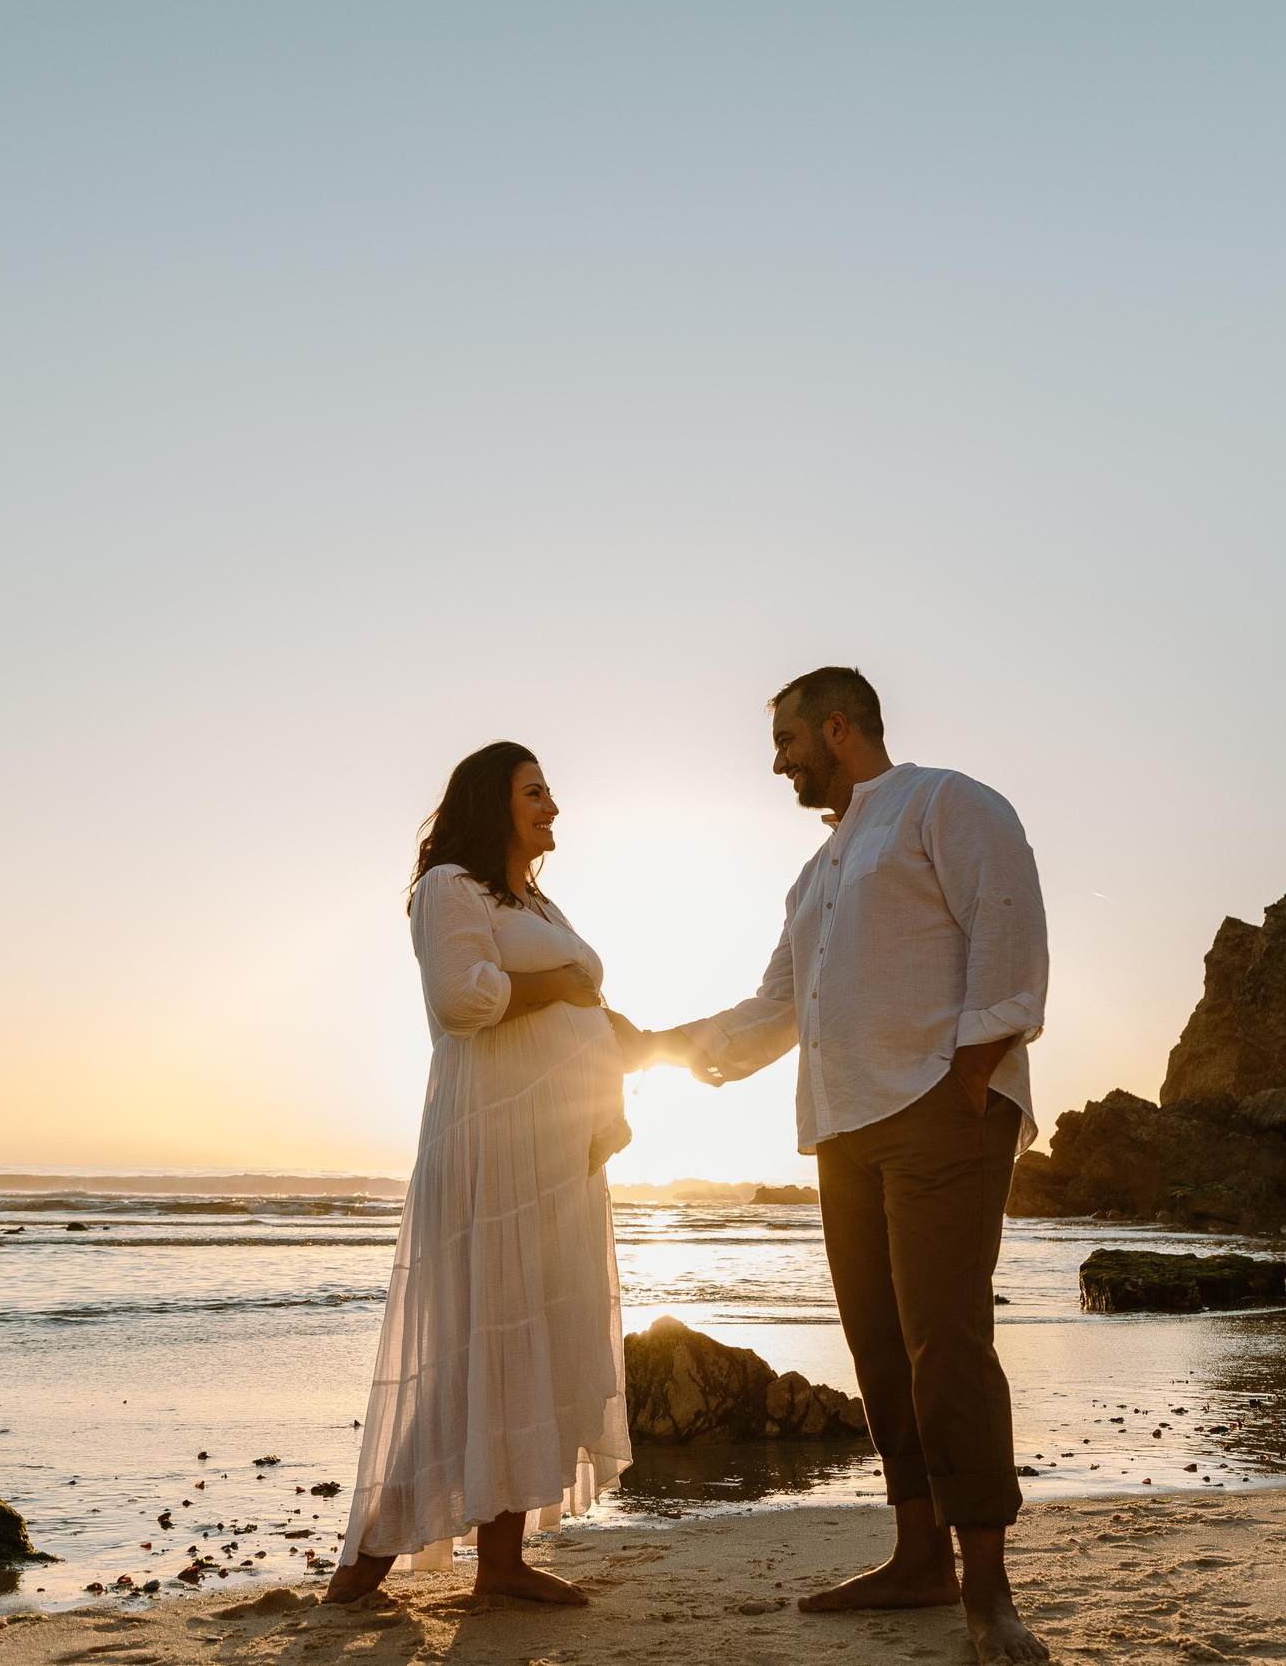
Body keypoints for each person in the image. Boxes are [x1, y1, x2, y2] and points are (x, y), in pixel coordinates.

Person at [651, 667, 1051, 1665]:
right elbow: (775, 1007)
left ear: (836, 727)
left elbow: (1010, 924)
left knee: (945, 1342)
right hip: (840, 1129)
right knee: (878, 1349)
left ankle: (988, 1592)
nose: (778, 761)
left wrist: (967, 1074)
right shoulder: (817, 869)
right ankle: (919, 1558)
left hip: (936, 1110)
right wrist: (653, 1046)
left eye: (786, 740)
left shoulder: (944, 802)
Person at [326, 741, 644, 1607]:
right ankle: (361, 1567)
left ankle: (501, 1563)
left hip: (557, 1162)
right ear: (490, 801)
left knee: (532, 1343)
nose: (551, 806)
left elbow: (586, 1014)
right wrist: (568, 993)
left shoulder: (535, 900)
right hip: (489, 1152)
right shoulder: (450, 890)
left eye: (551, 791)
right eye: (534, 791)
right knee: (470, 1348)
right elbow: (461, 999)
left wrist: (609, 1099)